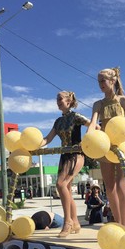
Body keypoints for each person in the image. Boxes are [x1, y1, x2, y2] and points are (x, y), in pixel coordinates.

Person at [87, 67, 125, 227]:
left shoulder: (124, 101)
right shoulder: (98, 104)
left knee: (121, 186)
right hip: (105, 149)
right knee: (109, 188)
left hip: (122, 148)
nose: (100, 84)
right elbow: (92, 124)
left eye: (103, 80)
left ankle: (124, 226)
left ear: (113, 81)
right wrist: (89, 139)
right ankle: (118, 223)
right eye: (98, 81)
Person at [41, 91, 92, 238]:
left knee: (60, 185)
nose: (57, 101)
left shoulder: (76, 116)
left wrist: (88, 141)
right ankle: (75, 222)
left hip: (76, 154)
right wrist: (34, 145)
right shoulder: (58, 121)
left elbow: (93, 126)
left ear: (69, 101)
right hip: (64, 155)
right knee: (66, 189)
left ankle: (67, 222)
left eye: (60, 99)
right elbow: (48, 138)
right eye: (56, 99)